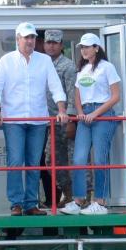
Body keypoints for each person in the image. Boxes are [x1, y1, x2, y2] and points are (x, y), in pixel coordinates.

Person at [0, 22, 64, 215]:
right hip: (14, 120)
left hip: (38, 120)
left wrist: (62, 110)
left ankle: (31, 204)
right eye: (26, 37)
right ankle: (16, 203)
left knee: (34, 163)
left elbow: (55, 86)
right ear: (17, 39)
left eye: (32, 37)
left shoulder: (44, 61)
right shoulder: (6, 61)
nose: (30, 41)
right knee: (15, 161)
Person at [63, 33, 125, 216]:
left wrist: (95, 114)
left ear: (97, 48)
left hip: (102, 114)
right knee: (79, 158)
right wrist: (81, 112)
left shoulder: (107, 67)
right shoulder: (82, 69)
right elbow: (77, 93)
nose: (84, 50)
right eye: (82, 47)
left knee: (100, 158)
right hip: (85, 117)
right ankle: (78, 199)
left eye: (88, 46)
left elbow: (115, 96)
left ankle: (100, 201)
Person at [40, 29, 79, 210]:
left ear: (61, 45)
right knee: (51, 160)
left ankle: (80, 196)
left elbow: (72, 94)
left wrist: (71, 120)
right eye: (48, 42)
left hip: (65, 120)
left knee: (72, 159)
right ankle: (68, 193)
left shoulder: (68, 66)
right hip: (49, 122)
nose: (51, 46)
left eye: (55, 43)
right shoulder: (41, 64)